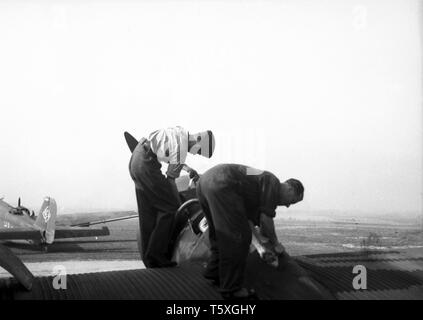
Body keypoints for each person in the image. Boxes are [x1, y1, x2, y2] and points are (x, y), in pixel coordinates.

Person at [196, 164, 304, 299]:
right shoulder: (272, 183)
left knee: (219, 235)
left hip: (205, 182)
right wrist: (276, 244)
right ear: (289, 188)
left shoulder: (255, 186)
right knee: (237, 240)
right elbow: (266, 220)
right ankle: (231, 289)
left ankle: (213, 271)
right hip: (222, 184)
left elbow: (247, 221)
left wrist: (260, 248)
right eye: (292, 201)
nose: (288, 206)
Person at [128, 126, 215, 268]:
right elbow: (170, 182)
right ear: (199, 140)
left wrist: (187, 169)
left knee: (147, 212)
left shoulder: (179, 134)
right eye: (199, 151)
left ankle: (149, 258)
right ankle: (157, 256)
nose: (196, 153)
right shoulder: (181, 149)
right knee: (169, 210)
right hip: (147, 165)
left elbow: (169, 154)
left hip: (137, 159)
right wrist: (178, 205)